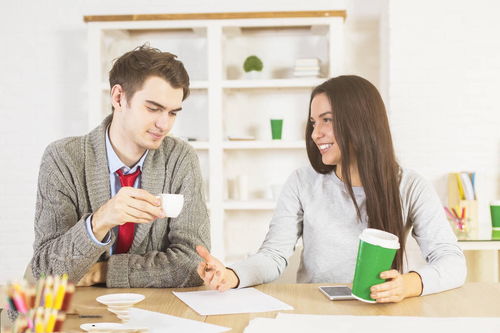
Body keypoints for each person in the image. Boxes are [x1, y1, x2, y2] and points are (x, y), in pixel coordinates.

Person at [196, 75, 466, 303]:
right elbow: (273, 256)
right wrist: (231, 274)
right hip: (316, 310)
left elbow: (452, 262)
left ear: (361, 122)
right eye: (314, 122)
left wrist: (408, 285)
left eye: (327, 120)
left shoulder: (410, 186)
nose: (315, 133)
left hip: (381, 312)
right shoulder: (302, 182)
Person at [29, 45, 210, 288]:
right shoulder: (63, 158)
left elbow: (194, 263)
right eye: (153, 108)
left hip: (154, 309)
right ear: (118, 97)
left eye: (173, 113)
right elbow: (46, 271)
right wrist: (101, 220)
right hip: (80, 309)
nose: (164, 124)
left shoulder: (180, 158)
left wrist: (104, 271)